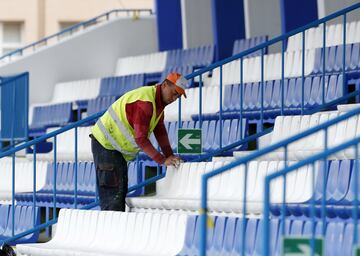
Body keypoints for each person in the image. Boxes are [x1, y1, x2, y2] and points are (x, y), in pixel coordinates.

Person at [90, 72, 187, 211]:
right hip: (105, 144)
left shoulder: (158, 104)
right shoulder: (146, 103)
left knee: (119, 192)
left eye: (178, 96)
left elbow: (160, 130)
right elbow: (141, 139)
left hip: (112, 148)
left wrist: (169, 155)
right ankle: (111, 231)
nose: (175, 98)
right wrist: (162, 160)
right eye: (174, 93)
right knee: (113, 198)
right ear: (165, 85)